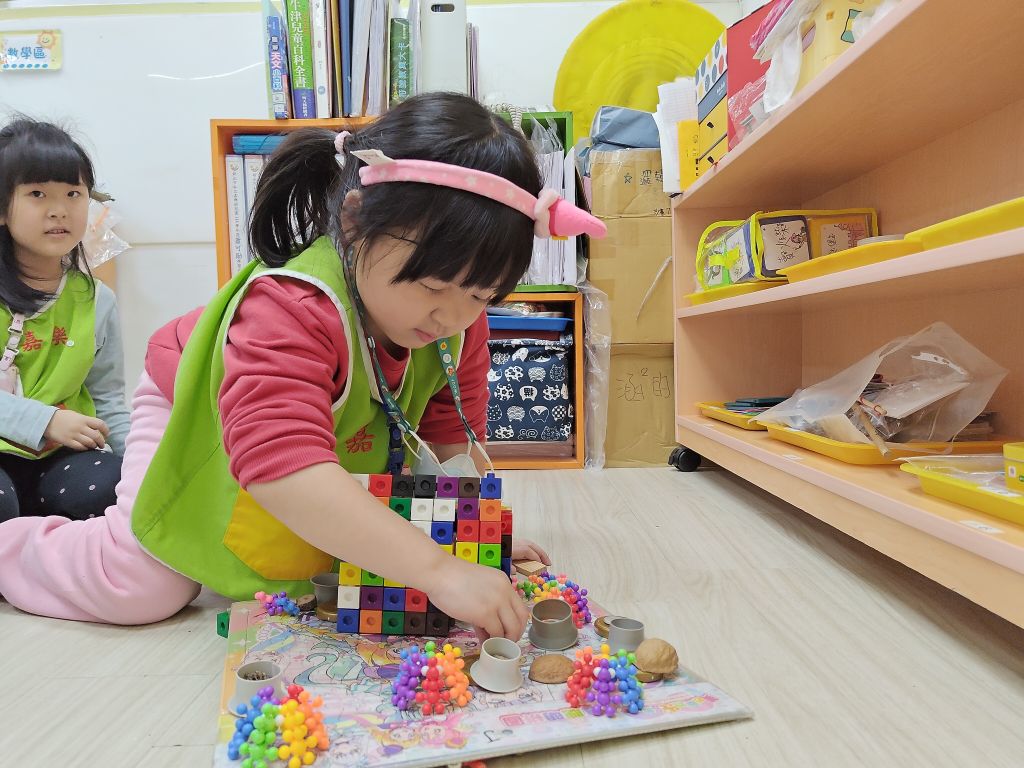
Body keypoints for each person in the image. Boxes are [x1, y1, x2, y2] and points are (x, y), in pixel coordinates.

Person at [0, 94, 605, 638]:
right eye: (431, 285)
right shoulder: (291, 307)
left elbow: (449, 444)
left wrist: (471, 540)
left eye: (481, 294)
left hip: (309, 430)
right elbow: (280, 464)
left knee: (347, 550)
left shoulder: (458, 324)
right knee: (143, 585)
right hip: (198, 405)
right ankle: (13, 547)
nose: (452, 315)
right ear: (354, 222)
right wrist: (438, 569)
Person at [0, 118, 128, 526]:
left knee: (114, 486)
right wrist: (47, 421)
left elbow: (108, 399)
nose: (59, 210)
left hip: (59, 460)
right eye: (37, 194)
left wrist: (140, 465)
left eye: (73, 193)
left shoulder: (97, 300)